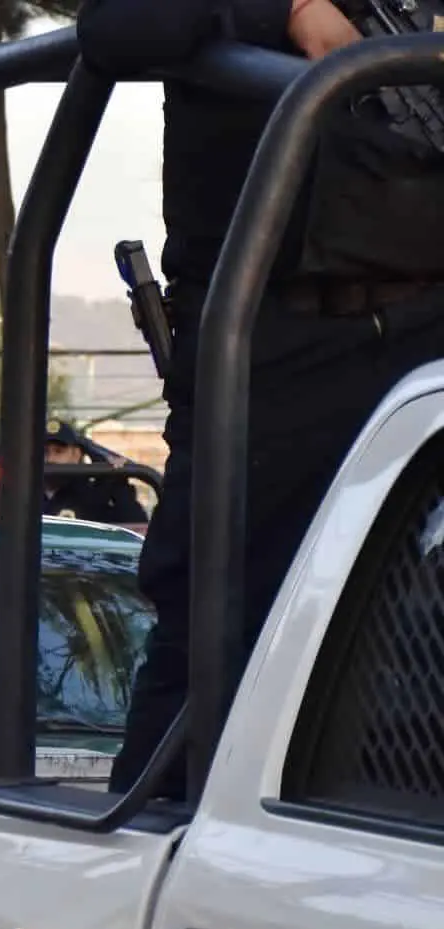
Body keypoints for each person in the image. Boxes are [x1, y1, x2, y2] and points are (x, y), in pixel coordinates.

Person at [78, 0, 444, 797]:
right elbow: (116, 26)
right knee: (218, 621)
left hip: (425, 340)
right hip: (279, 345)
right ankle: (152, 851)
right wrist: (291, 11)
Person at [41, 421, 146, 524]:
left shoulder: (92, 496)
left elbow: (136, 524)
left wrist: (117, 480)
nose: (50, 459)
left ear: (76, 455)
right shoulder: (26, 492)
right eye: (45, 452)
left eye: (59, 451)